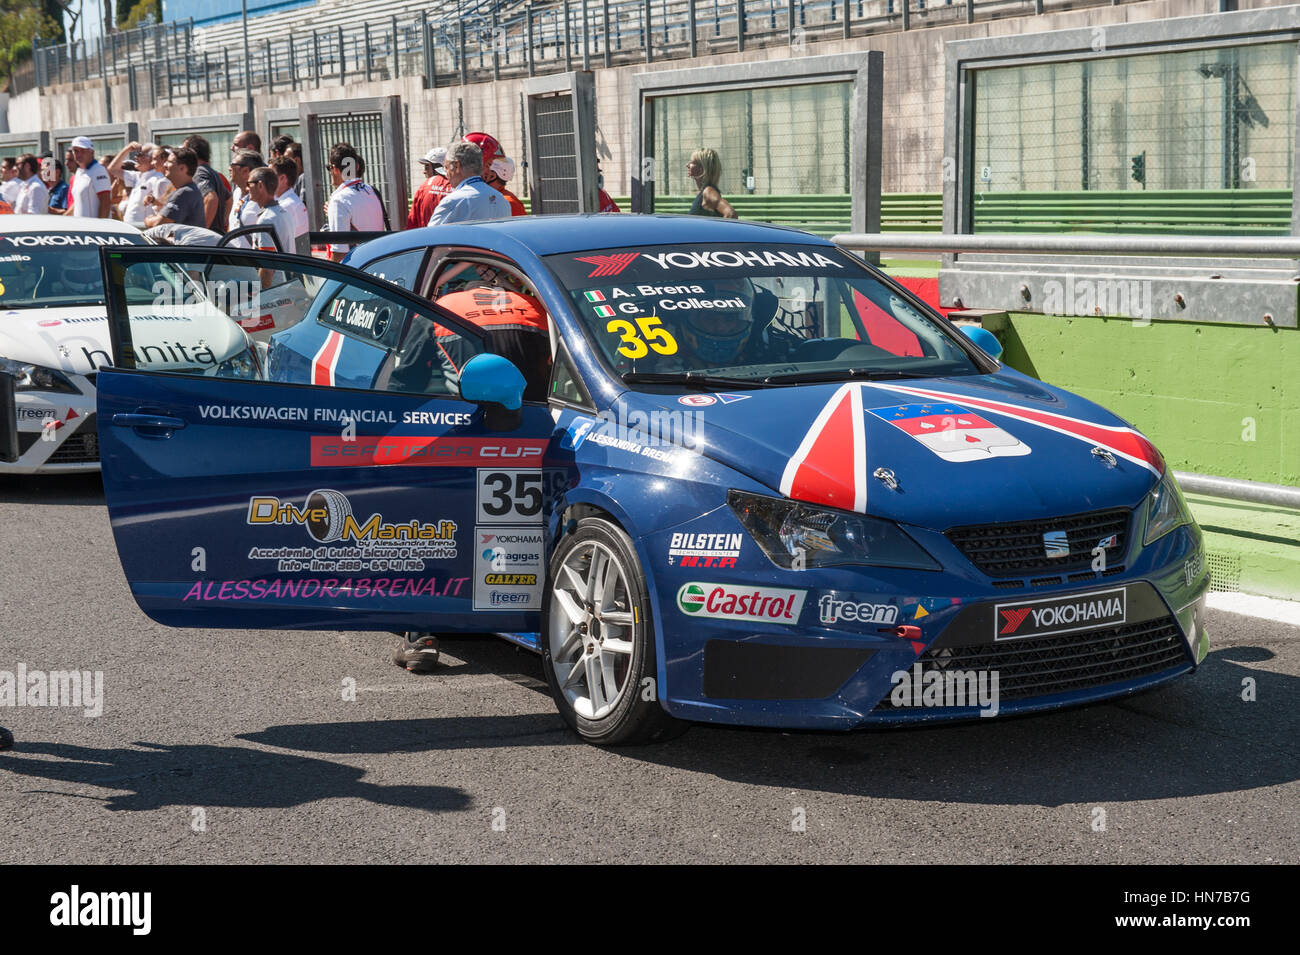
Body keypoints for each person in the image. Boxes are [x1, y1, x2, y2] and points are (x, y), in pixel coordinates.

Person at [324, 142, 386, 262]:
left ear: (334, 169)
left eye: (328, 167)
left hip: (356, 269)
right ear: (357, 166)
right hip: (377, 262)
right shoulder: (371, 190)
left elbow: (339, 253)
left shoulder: (339, 200)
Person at [426, 141, 509, 226]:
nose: (446, 174)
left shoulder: (453, 201)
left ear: (456, 166)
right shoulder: (502, 200)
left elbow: (432, 235)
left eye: (446, 167)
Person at [248, 166, 295, 287]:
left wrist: (261, 297)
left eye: (249, 183)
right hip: (287, 285)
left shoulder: (266, 220)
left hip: (275, 290)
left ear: (260, 185)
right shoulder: (283, 213)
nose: (247, 188)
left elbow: (267, 268)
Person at [108, 142, 167, 229]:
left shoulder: (159, 179)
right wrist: (127, 149)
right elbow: (112, 169)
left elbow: (161, 207)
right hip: (130, 228)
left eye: (140, 154)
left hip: (145, 229)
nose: (136, 157)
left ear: (151, 159)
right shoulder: (137, 176)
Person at [144, 148, 207, 229]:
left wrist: (148, 220)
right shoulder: (188, 190)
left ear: (182, 168)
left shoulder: (184, 192)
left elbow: (159, 223)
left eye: (169, 162)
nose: (164, 165)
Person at [183, 134, 231, 232]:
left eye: (184, 151)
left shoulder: (199, 172)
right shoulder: (212, 172)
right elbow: (229, 199)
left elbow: (211, 198)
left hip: (206, 239)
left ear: (192, 153)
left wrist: (201, 231)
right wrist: (223, 221)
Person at [225, 149, 266, 245]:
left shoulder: (262, 196)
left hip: (252, 258)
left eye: (232, 164)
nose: (229, 168)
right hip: (234, 257)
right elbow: (234, 224)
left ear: (245, 171)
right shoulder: (237, 192)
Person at [406, 147, 453, 228]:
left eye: (427, 167)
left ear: (438, 167)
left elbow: (412, 222)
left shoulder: (424, 187)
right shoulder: (460, 187)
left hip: (427, 237)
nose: (424, 171)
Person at [271, 156, 309, 254]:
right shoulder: (288, 202)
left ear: (282, 178)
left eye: (270, 175)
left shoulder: (287, 206)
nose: (266, 179)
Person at [67, 137, 112, 218]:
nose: (79, 154)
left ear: (92, 152)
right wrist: (63, 219)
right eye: (75, 151)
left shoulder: (99, 170)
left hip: (94, 229)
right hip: (81, 228)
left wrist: (100, 228)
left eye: (83, 151)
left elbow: (105, 203)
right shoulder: (78, 172)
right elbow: (77, 203)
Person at [686, 147, 736, 219]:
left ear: (702, 168)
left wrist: (718, 230)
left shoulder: (708, 192)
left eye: (692, 162)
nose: (687, 165)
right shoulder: (705, 192)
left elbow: (731, 214)